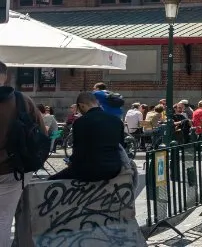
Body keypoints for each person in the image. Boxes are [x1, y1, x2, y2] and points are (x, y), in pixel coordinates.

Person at [0, 62, 48, 247]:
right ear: (5, 76)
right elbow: (42, 136)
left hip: (14, 170)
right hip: (14, 169)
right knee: (3, 219)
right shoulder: (21, 100)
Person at [51, 92, 125, 182]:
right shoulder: (116, 120)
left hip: (89, 170)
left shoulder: (80, 122)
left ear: (81, 106)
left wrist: (71, 162)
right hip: (114, 169)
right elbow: (121, 147)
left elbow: (78, 150)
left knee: (51, 180)